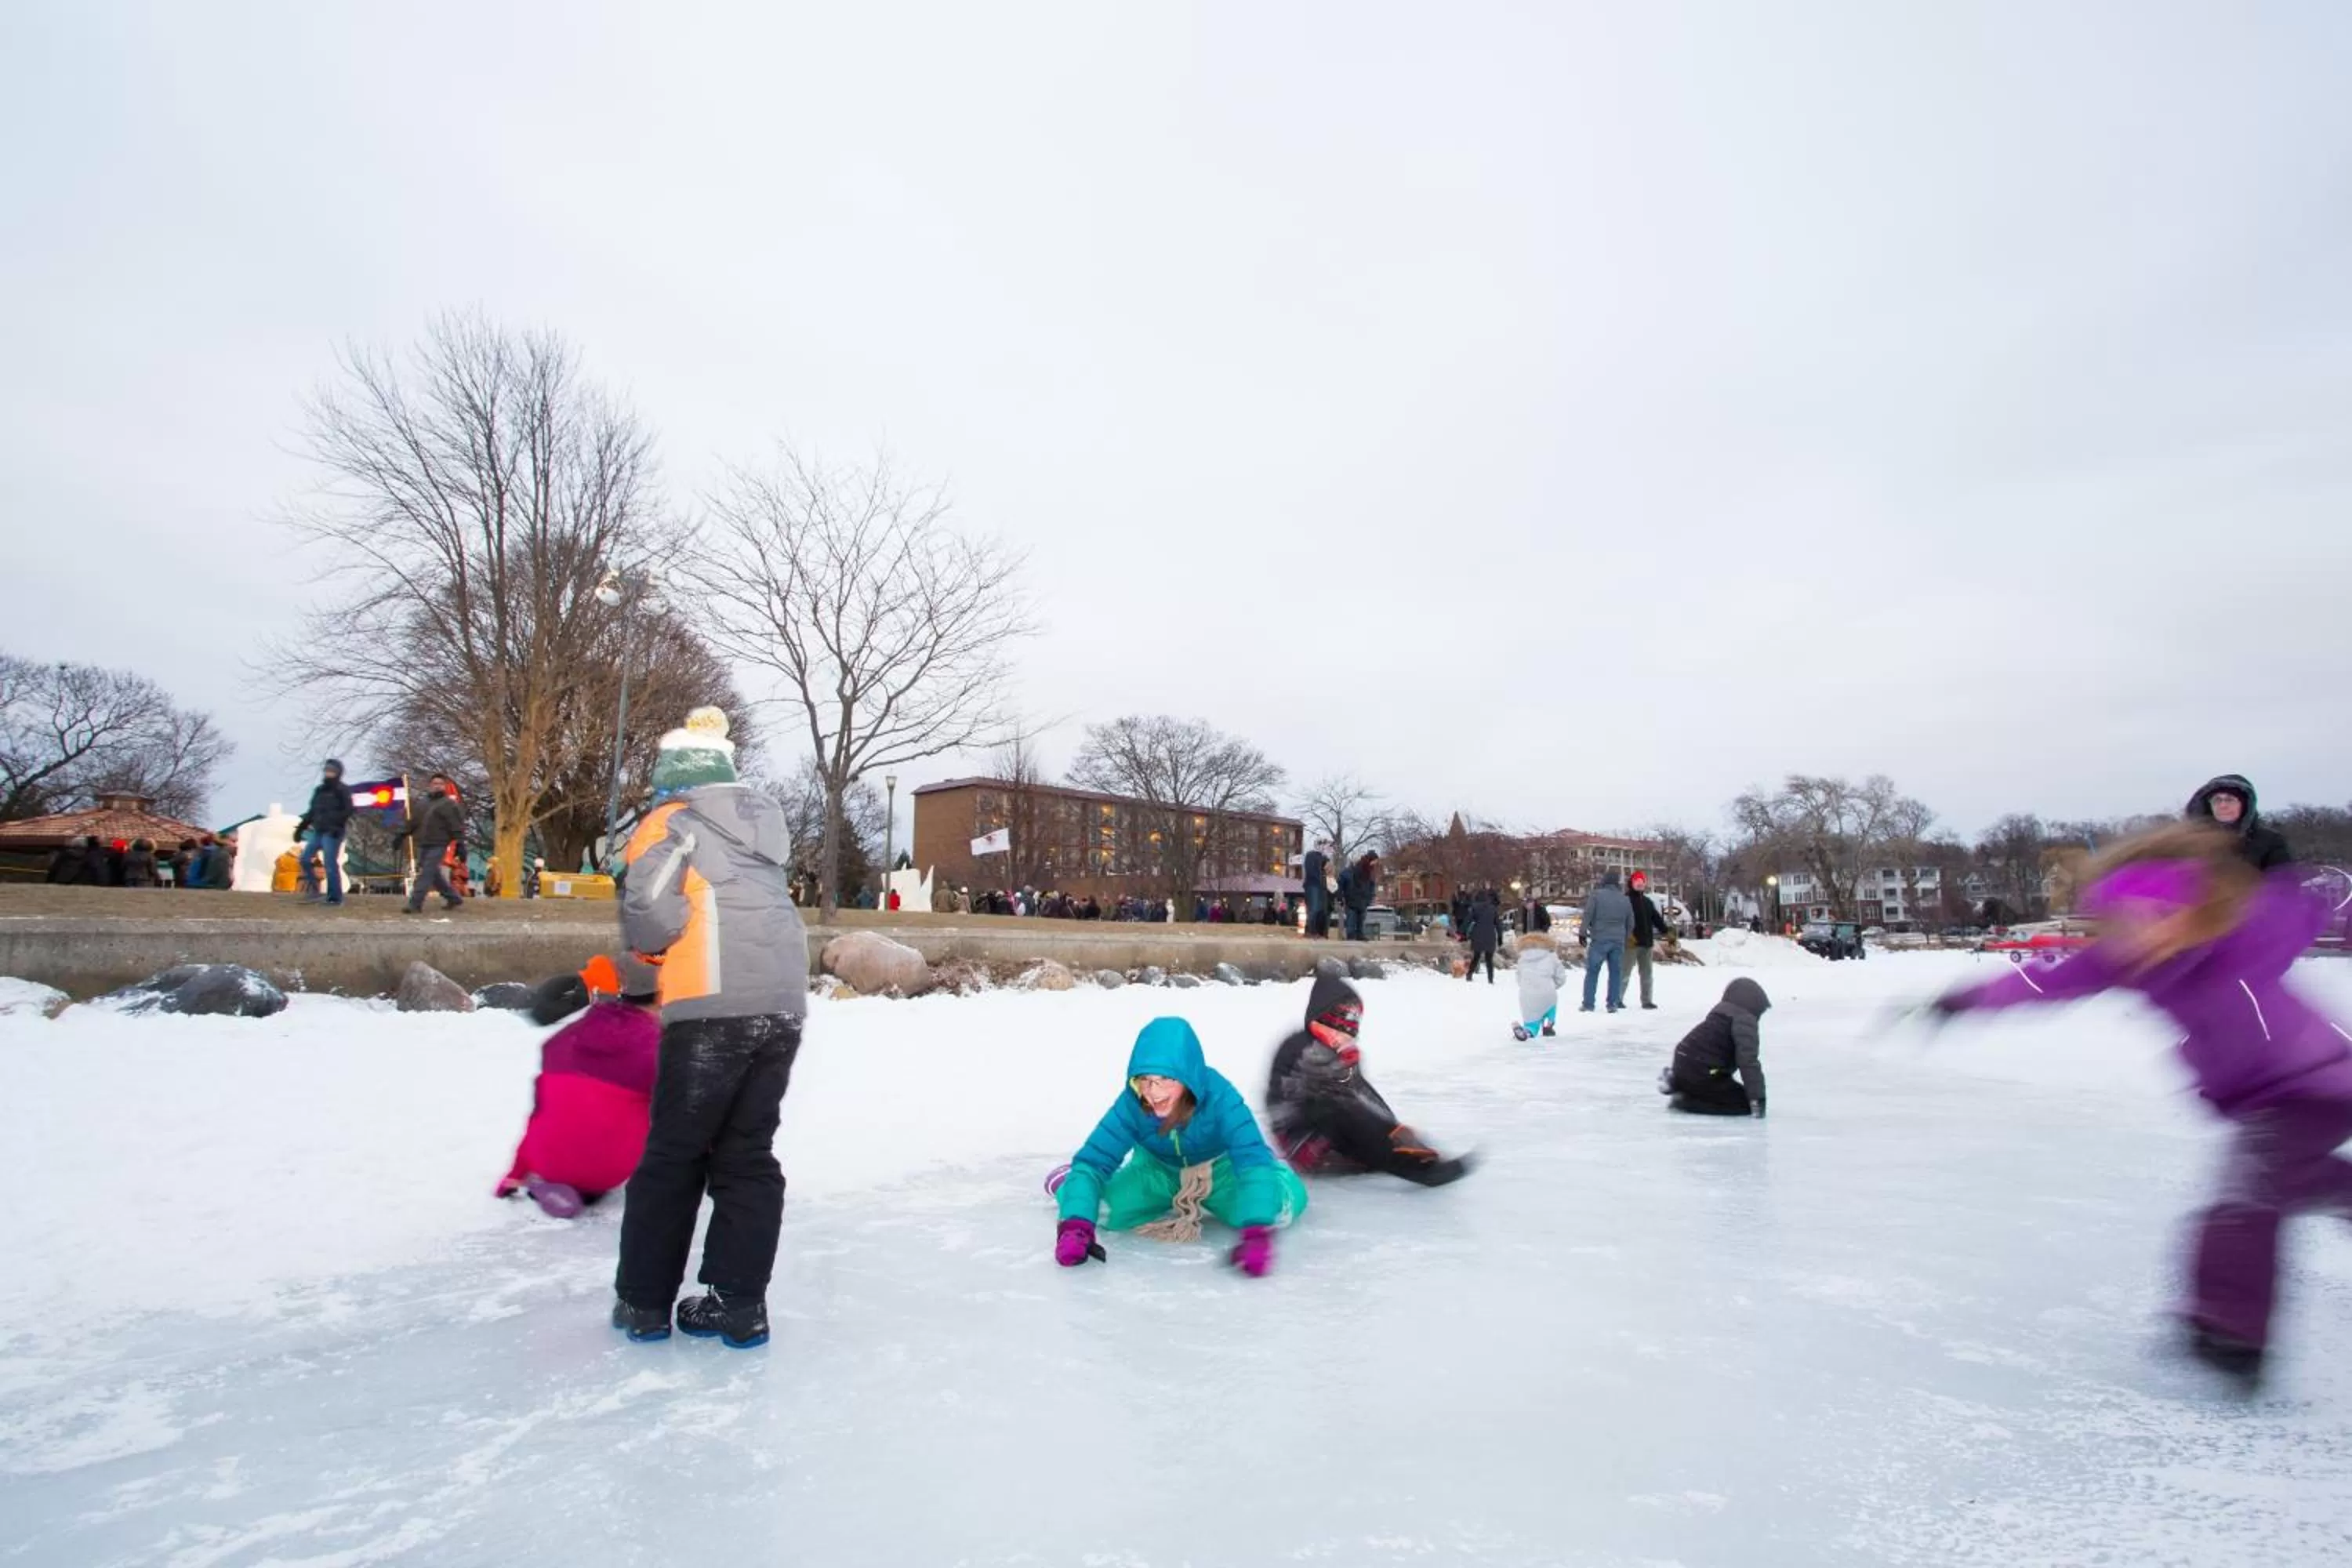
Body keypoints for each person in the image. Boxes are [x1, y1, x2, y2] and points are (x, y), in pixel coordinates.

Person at [1918, 821, 2352, 1388]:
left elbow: (2312, 905)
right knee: (2273, 1184)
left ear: (2195, 912)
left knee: (2244, 1197)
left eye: (2157, 915)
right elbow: (2045, 982)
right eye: (2125, 922)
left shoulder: (2247, 935)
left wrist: (2317, 889)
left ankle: (2230, 1331)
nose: (2141, 934)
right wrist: (1967, 999)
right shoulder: (2121, 962)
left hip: (2317, 1083)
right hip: (2257, 1099)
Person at [612, 708, 808, 1351]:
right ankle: (739, 1302)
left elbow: (651, 917)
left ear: (674, 781)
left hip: (709, 1006)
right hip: (781, 1007)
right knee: (746, 1152)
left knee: (674, 1154)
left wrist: (646, 963)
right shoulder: (761, 832)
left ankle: (643, 1302)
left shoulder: (671, 824)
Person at [1047, 1016, 1307, 1276]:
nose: (1153, 1092)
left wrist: (1257, 1231)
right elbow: (1093, 1162)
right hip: (1158, 1172)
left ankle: (1274, 1176)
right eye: (1145, 1080)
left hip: (1220, 1171)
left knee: (1276, 1210)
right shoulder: (1132, 1103)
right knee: (1100, 1212)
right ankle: (1068, 1183)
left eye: (1165, 1079)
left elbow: (1251, 1161)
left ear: (1188, 1078)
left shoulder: (1220, 1096)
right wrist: (1075, 1226)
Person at [1266, 975, 1473, 1187]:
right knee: (1347, 1113)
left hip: (1330, 1137)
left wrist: (1391, 1125)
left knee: (1373, 1128)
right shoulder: (1302, 1047)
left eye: (1354, 1022)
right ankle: (1419, 1169)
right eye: (1344, 1019)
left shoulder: (1336, 1051)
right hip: (1302, 1141)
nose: (1349, 1029)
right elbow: (1317, 1097)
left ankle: (1415, 1156)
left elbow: (1362, 1093)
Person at [497, 954, 662, 1219]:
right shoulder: (657, 1046)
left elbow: (538, 1114)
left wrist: (515, 1174)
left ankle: (567, 1180)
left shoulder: (559, 1041)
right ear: (661, 997)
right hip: (610, 1169)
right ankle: (586, 1181)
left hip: (545, 1160)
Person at [1658, 978, 1770, 1116]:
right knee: (1742, 1105)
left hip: (1684, 1060)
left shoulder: (1720, 1013)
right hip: (1705, 1072)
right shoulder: (1744, 1020)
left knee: (1716, 1080)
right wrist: (1758, 1099)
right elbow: (1748, 1062)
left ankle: (1680, 1083)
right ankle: (1686, 1101)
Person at [2187, 773, 2292, 871]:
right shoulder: (2192, 841)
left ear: (2245, 805)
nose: (2223, 806)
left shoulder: (2270, 841)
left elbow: (2285, 885)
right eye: (2217, 800)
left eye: (2230, 800)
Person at [399, 775, 466, 914]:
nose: (438, 786)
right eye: (435, 783)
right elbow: (414, 822)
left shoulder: (449, 804)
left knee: (426, 873)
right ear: (430, 785)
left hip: (439, 843)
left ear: (445, 786)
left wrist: (460, 843)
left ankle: (415, 903)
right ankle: (453, 897)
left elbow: (456, 825)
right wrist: (402, 834)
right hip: (423, 842)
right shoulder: (422, 803)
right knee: (433, 873)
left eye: (441, 784)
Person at [294, 759, 355, 906]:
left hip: (333, 833)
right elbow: (312, 811)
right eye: (327, 770)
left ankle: (335, 898)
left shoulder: (342, 790)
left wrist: (337, 825)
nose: (329, 773)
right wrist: (301, 827)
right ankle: (315, 891)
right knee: (304, 859)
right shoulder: (320, 791)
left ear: (338, 773)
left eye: (332, 771)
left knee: (330, 864)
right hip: (319, 831)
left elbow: (348, 810)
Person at [1581, 871, 1634, 1012]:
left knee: (1592, 971)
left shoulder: (1596, 895)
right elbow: (1631, 922)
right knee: (1616, 972)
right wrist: (1625, 936)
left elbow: (1588, 914)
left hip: (1600, 938)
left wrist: (1583, 933)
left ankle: (1588, 1003)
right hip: (1618, 940)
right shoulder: (1624, 899)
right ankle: (1613, 1003)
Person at [1626, 871, 1672, 1011]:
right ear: (1632, 884)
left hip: (1646, 943)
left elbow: (1657, 920)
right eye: (1637, 882)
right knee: (1624, 973)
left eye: (1642, 883)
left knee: (1647, 974)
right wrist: (1626, 935)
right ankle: (1617, 999)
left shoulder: (1648, 902)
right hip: (1630, 943)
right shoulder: (1625, 900)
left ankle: (1647, 1000)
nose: (1640, 885)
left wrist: (1668, 933)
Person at [1515, 927, 1569, 1040]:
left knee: (1531, 1022)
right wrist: (1553, 986)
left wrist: (1528, 986)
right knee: (1550, 1006)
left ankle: (1529, 1031)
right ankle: (1548, 1025)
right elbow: (1561, 978)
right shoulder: (1551, 956)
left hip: (1527, 995)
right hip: (1547, 993)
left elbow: (1519, 980)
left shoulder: (1522, 959)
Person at [1341, 851, 1381, 941]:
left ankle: (1358, 934)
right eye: (1375, 861)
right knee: (1353, 918)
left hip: (1361, 898)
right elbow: (1363, 884)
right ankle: (1353, 935)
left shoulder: (1368, 871)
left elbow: (1371, 885)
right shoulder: (1360, 870)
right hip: (1355, 898)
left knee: (1359, 918)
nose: (1375, 864)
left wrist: (1370, 897)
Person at [1464, 889, 1501, 984]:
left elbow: (1468, 921)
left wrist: (1461, 933)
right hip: (1490, 936)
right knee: (1489, 959)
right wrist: (1500, 938)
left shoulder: (1475, 908)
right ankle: (1490, 979)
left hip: (1477, 935)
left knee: (1476, 957)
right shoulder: (1493, 909)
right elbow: (1498, 924)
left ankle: (1469, 975)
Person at [1303, 840, 1334, 938]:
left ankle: (1318, 931)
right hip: (1313, 885)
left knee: (1320, 910)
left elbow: (1329, 870)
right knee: (1314, 908)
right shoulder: (1311, 855)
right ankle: (1310, 931)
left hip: (1321, 886)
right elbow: (1311, 870)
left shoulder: (1324, 858)